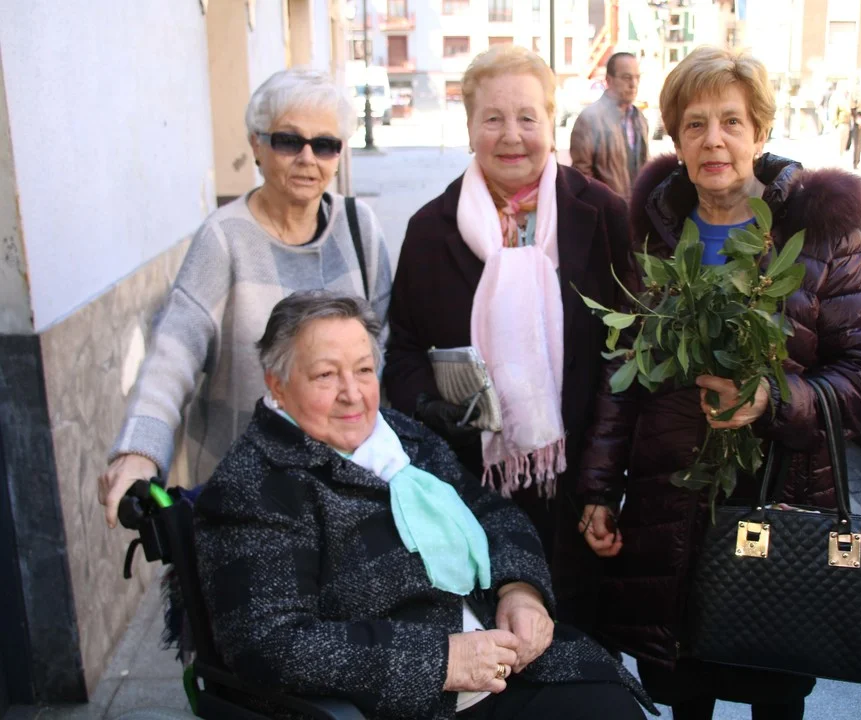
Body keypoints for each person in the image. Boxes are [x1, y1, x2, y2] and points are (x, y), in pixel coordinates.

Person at [576, 47, 861, 720]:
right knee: (684, 690)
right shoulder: (655, 235)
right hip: (669, 515)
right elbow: (622, 375)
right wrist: (600, 490)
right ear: (675, 138)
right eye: (694, 124)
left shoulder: (822, 236)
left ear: (760, 132)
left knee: (772, 690)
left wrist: (773, 400)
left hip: (779, 510)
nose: (713, 140)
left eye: (731, 121)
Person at [193, 291, 655, 720]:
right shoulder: (255, 484)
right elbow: (270, 643)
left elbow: (493, 513)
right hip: (405, 703)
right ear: (276, 384)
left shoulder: (400, 436)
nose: (352, 393)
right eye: (325, 375)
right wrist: (441, 661)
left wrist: (520, 589)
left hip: (501, 662)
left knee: (611, 707)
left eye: (363, 370)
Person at [382, 45, 636, 632]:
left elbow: (630, 356)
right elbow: (403, 351)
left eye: (527, 117)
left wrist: (604, 485)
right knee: (492, 658)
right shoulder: (429, 231)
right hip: (472, 494)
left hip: (581, 494)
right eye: (493, 118)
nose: (512, 136)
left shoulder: (602, 217)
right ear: (469, 126)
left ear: (551, 121)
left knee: (581, 652)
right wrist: (430, 406)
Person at [98, 68, 392, 528]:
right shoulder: (225, 238)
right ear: (256, 144)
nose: (308, 158)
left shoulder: (359, 227)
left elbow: (383, 346)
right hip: (247, 496)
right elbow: (173, 352)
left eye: (325, 145)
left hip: (347, 484)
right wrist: (140, 452)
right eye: (288, 141)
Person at [569, 51, 649, 200]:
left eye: (637, 77)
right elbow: (581, 176)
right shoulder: (589, 119)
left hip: (636, 207)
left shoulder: (639, 118)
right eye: (627, 77)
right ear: (609, 80)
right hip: (607, 209)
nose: (633, 84)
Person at [828, 83, 853, 157]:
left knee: (844, 141)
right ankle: (838, 156)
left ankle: (842, 155)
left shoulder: (847, 99)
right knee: (838, 142)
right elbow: (833, 111)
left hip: (847, 123)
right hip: (840, 123)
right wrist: (835, 123)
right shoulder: (837, 99)